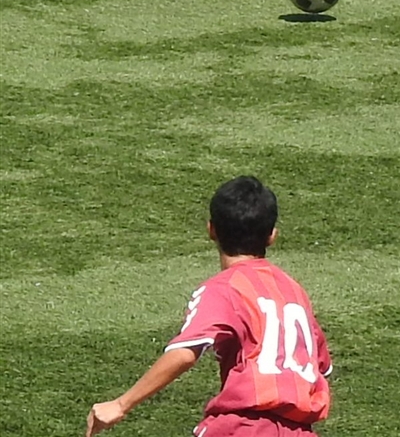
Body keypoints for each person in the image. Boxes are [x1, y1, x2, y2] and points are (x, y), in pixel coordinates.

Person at [85, 176, 332, 435]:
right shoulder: (294, 291)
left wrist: (121, 404)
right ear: (272, 235)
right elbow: (321, 367)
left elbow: (185, 352)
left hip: (241, 428)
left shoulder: (225, 288)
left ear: (211, 229)